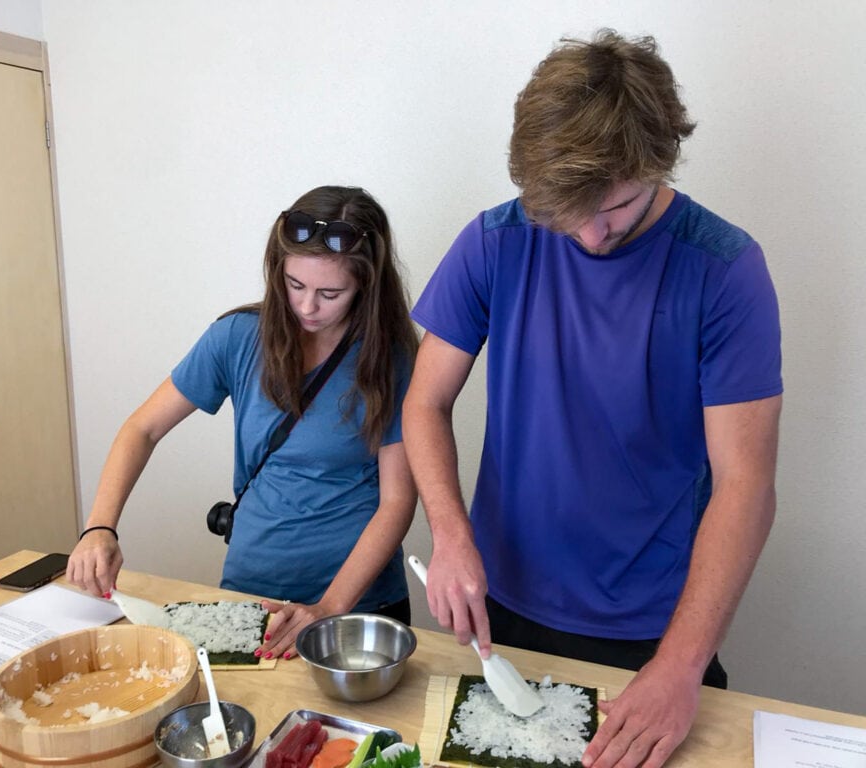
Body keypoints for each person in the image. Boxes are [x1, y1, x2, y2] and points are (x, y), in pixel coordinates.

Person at [403, 30, 782, 768]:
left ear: (658, 159)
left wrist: (678, 669)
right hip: (502, 609)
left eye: (609, 207)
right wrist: (449, 536)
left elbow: (746, 485)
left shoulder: (724, 270)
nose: (586, 233)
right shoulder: (496, 240)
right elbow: (424, 403)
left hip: (656, 631)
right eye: (559, 211)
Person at [69, 185, 419, 661]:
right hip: (252, 596)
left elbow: (398, 501)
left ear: (367, 286)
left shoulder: (392, 360)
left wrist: (328, 606)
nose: (307, 307)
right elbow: (142, 429)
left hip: (358, 607)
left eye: (330, 293)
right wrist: (99, 528)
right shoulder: (236, 338)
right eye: (295, 285)